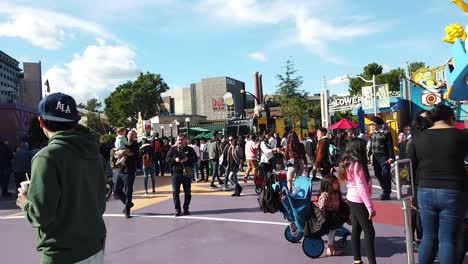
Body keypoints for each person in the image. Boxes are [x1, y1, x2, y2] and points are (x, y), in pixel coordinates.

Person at [16, 92, 106, 263]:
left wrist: (25, 203)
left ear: (41, 121)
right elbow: (100, 204)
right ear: (75, 121)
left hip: (62, 253)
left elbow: (41, 215)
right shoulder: (94, 152)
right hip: (94, 246)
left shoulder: (47, 157)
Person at [408, 104, 468, 264]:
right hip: (453, 190)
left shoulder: (418, 138)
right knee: (447, 239)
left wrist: (412, 194)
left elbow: (409, 168)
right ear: (451, 118)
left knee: (429, 236)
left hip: (425, 190)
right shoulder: (462, 136)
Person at [338, 138, 377, 264]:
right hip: (359, 201)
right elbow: (361, 187)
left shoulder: (348, 162)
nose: (365, 150)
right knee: (369, 231)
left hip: (352, 198)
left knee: (357, 228)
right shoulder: (357, 164)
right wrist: (370, 207)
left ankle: (357, 260)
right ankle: (372, 262)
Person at [166, 134, 197, 216]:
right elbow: (167, 159)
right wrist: (174, 160)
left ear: (185, 140)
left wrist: (187, 159)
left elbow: (195, 159)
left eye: (181, 139)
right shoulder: (173, 149)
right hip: (176, 173)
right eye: (178, 139)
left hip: (186, 173)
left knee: (188, 192)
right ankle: (177, 210)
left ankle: (186, 208)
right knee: (175, 192)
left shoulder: (189, 149)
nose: (180, 141)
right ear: (176, 140)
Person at [318, 175, 347, 257]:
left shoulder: (336, 193)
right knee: (332, 230)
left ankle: (330, 246)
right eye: (335, 183)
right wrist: (323, 217)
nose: (337, 184)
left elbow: (339, 203)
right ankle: (330, 248)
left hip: (334, 213)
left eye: (337, 182)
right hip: (329, 216)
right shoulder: (325, 195)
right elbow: (321, 206)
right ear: (328, 185)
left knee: (333, 230)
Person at [114, 129, 139, 218]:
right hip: (121, 170)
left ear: (135, 136)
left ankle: (127, 210)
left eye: (133, 134)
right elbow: (115, 154)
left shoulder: (135, 144)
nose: (130, 135)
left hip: (130, 171)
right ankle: (128, 204)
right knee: (116, 190)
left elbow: (131, 153)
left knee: (128, 190)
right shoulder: (122, 141)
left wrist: (121, 152)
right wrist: (120, 153)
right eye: (129, 134)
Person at [368, 116, 394, 200]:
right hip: (375, 157)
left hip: (384, 156)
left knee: (386, 174)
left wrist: (391, 157)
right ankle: (384, 188)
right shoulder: (372, 134)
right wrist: (369, 154)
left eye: (373, 124)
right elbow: (371, 145)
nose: (372, 126)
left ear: (379, 125)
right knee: (377, 174)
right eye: (371, 124)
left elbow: (390, 146)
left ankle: (387, 192)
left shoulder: (386, 133)